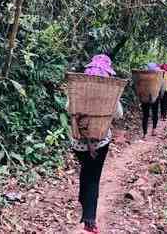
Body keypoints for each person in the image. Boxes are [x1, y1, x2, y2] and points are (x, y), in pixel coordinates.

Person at [71, 54, 123, 234]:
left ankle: (83, 201)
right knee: (94, 177)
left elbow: (68, 108)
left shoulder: (78, 88)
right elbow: (118, 114)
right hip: (100, 142)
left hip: (78, 142)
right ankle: (90, 222)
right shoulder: (110, 91)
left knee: (86, 170)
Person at [140, 62, 163, 138]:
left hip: (144, 98)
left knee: (145, 115)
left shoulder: (143, 77)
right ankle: (154, 130)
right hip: (155, 97)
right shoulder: (158, 76)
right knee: (155, 113)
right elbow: (162, 88)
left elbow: (138, 87)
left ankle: (144, 134)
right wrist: (160, 96)